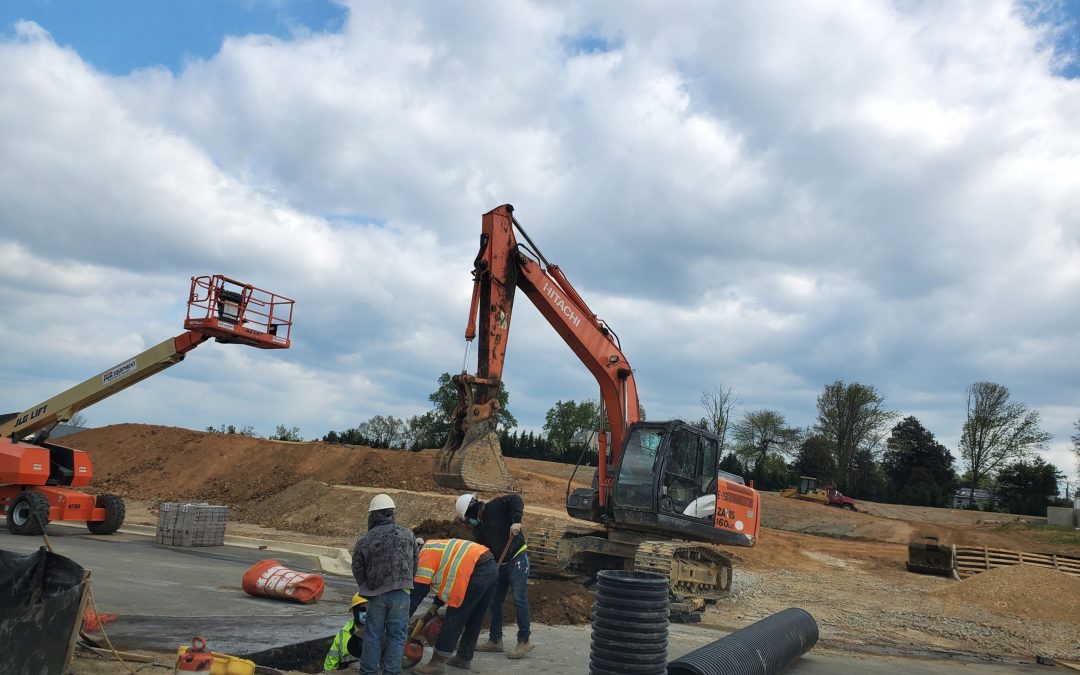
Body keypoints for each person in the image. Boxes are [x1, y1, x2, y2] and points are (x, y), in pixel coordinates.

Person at [458, 492, 534, 659]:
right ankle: (495, 640)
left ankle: (524, 640)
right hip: (499, 565)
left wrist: (516, 521)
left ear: (474, 508)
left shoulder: (497, 505)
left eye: (469, 517)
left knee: (519, 599)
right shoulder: (478, 528)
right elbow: (482, 549)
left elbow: (516, 499)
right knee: (494, 601)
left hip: (517, 559)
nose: (469, 521)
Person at [408, 538, 498, 674]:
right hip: (490, 566)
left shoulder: (423, 558)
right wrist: (435, 606)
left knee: (455, 615)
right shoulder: (434, 546)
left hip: (476, 571)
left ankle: (437, 663)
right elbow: (448, 577)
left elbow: (417, 593)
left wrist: (401, 618)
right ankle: (464, 657)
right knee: (475, 617)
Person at [351, 493, 418, 675]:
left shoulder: (365, 539)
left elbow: (357, 566)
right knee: (397, 637)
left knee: (373, 635)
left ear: (373, 516)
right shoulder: (408, 535)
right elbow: (415, 561)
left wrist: (366, 587)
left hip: (377, 595)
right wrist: (406, 581)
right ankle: (391, 672)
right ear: (391, 513)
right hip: (402, 594)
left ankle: (368, 672)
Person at [323, 594, 367, 671]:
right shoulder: (344, 633)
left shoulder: (383, 631)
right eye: (363, 609)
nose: (367, 613)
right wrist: (328, 672)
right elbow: (332, 658)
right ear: (355, 611)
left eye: (371, 609)